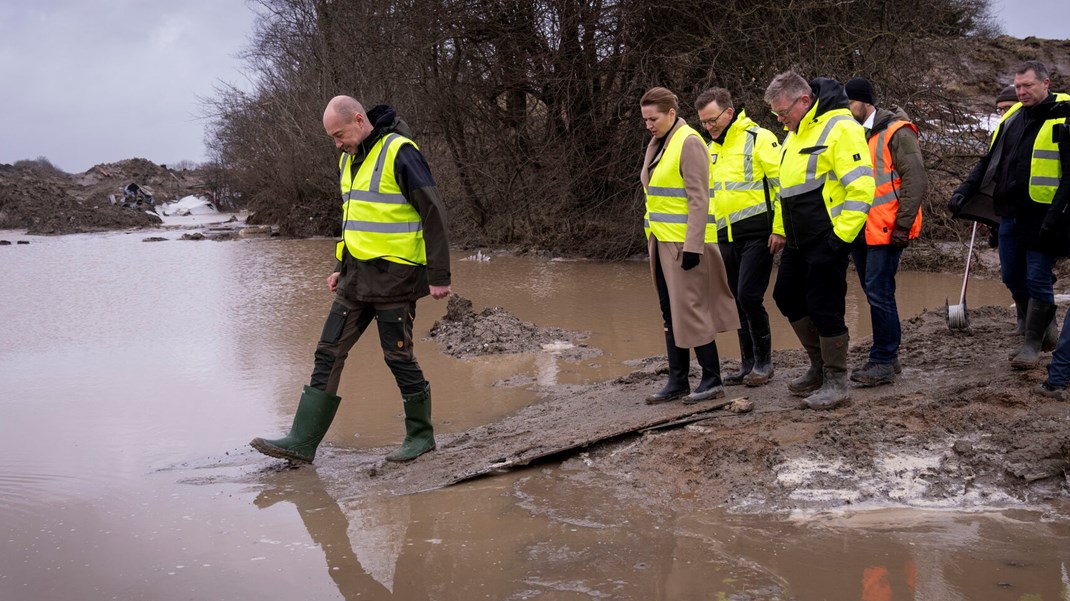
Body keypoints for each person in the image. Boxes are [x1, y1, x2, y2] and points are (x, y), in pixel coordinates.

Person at [251, 96, 452, 463]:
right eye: (333, 137)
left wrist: (439, 276)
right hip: (355, 278)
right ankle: (302, 441)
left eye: (339, 134)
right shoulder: (348, 159)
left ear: (359, 120)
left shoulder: (400, 151)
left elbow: (433, 212)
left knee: (398, 357)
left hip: (397, 276)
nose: (337, 143)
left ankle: (421, 437)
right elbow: (353, 219)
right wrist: (339, 267)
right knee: (328, 351)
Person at [764, 72, 875, 410]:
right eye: (776, 115)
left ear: (804, 100)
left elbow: (861, 188)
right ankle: (818, 366)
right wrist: (780, 230)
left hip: (827, 239)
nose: (781, 120)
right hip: (797, 240)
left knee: (824, 306)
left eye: (783, 112)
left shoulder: (841, 128)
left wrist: (839, 240)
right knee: (786, 296)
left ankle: (837, 380)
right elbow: (787, 191)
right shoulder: (794, 135)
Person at [950, 61, 1070, 369]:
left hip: (1047, 212)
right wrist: (965, 191)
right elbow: (988, 161)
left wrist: (1058, 215)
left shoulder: (1065, 114)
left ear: (1046, 82)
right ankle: (1045, 325)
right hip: (1009, 212)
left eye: (1027, 86)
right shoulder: (1012, 117)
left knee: (1038, 276)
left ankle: (1033, 345)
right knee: (1011, 275)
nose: (1021, 92)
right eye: (1017, 87)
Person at [639, 87, 740, 405]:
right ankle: (678, 379)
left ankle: (712, 379)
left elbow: (700, 199)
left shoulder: (689, 142)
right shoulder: (658, 144)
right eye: (645, 119)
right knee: (670, 312)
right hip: (661, 241)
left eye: (653, 118)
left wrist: (694, 246)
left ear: (671, 113)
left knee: (692, 311)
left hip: (686, 245)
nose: (648, 125)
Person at [694, 87, 785, 387]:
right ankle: (747, 364)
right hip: (724, 238)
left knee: (749, 296)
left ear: (729, 112)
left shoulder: (760, 138)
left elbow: (782, 187)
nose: (709, 127)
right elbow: (710, 200)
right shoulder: (710, 150)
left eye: (712, 120)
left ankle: (764, 364)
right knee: (735, 301)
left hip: (759, 234)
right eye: (704, 123)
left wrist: (779, 228)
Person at [844, 77, 927, 386]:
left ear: (865, 102)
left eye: (849, 103)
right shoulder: (850, 133)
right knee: (875, 292)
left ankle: (883, 359)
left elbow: (915, 179)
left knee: (879, 293)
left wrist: (903, 226)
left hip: (888, 228)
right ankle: (887, 359)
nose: (845, 109)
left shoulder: (897, 131)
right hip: (860, 228)